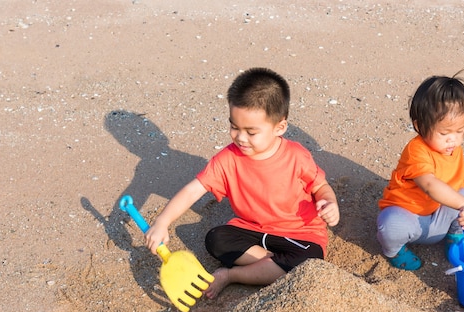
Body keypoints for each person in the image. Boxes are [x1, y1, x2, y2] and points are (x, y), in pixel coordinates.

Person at [145, 67, 340, 298]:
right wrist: (162, 222)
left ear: (280, 127)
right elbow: (193, 190)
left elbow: (320, 186)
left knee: (310, 261)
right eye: (234, 127)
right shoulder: (227, 159)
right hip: (251, 230)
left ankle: (232, 275)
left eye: (251, 132)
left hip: (298, 233)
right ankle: (273, 268)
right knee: (216, 239)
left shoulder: (296, 156)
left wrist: (329, 203)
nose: (240, 137)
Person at [376, 73, 464, 270]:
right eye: (444, 133)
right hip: (412, 219)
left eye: (459, 131)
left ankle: (455, 235)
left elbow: (461, 184)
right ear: (419, 125)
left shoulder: (454, 150)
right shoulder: (416, 150)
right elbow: (430, 185)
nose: (453, 140)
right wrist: (463, 205)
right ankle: (395, 251)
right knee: (390, 225)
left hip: (440, 218)